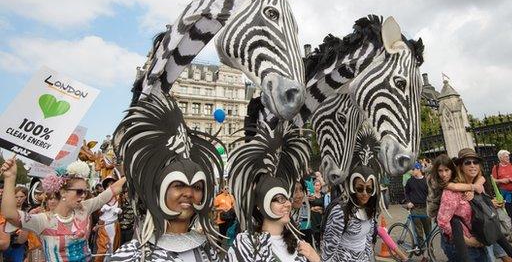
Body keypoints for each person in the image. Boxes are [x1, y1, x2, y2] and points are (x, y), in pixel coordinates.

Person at [110, 94, 225, 261]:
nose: (189, 193)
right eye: (178, 185)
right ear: (159, 190)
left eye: (197, 187)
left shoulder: (208, 251)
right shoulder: (134, 255)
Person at [227, 120, 320, 262]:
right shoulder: (245, 243)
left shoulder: (298, 243)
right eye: (279, 199)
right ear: (260, 204)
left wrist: (315, 259)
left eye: (287, 198)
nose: (288, 204)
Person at [1, 159, 126, 261]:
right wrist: (10, 178)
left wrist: (134, 169)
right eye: (79, 191)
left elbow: (113, 189)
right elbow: (10, 215)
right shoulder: (43, 220)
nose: (83, 195)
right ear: (63, 192)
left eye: (85, 191)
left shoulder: (84, 207)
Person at [320, 139, 380, 262]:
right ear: (352, 187)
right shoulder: (339, 212)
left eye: (369, 189)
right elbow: (328, 251)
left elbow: (368, 242)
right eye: (359, 188)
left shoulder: (370, 209)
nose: (364, 193)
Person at [427, 154, 484, 262]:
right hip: (452, 228)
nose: (443, 174)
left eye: (446, 170)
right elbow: (443, 221)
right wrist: (467, 240)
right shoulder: (441, 184)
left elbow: (482, 178)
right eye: (440, 171)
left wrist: (472, 189)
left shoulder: (458, 179)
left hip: (469, 231)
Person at [405, 162, 431, 243]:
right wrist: (408, 202)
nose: (411, 171)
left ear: (418, 169)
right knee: (418, 232)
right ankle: (422, 251)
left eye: (413, 169)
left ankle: (430, 249)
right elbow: (406, 192)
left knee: (428, 231)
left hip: (425, 209)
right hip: (414, 208)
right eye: (411, 170)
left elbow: (431, 194)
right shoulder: (410, 181)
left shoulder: (426, 181)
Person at [308, 180, 324, 249]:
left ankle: (320, 245)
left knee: (320, 231)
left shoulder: (323, 195)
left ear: (320, 186)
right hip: (313, 215)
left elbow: (325, 205)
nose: (317, 187)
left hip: (320, 215)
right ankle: (314, 245)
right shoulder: (311, 195)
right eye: (316, 185)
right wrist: (313, 208)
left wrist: (321, 209)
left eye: (318, 185)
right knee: (313, 231)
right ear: (313, 186)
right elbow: (307, 206)